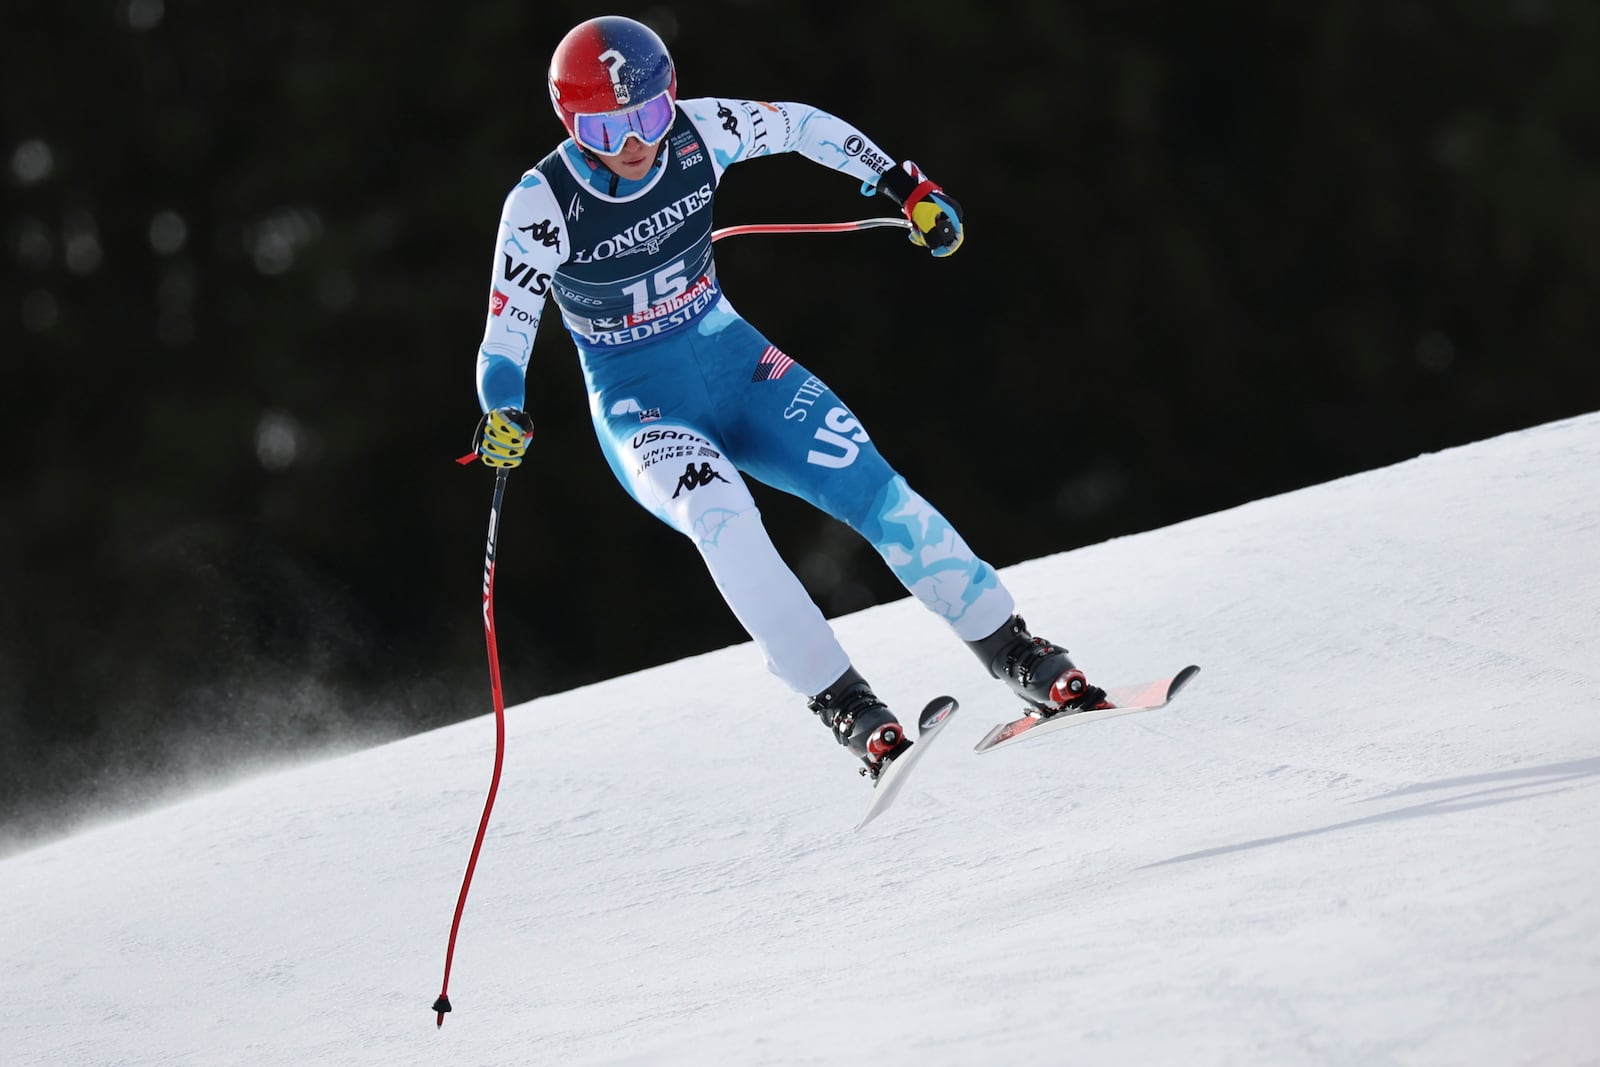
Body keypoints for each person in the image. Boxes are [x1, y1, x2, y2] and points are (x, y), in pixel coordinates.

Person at [470, 15, 1105, 779]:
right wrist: (502, 406)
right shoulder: (541, 205)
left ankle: (1015, 651)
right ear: (573, 125)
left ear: (671, 98)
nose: (636, 143)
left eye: (649, 116)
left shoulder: (702, 132)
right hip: (644, 409)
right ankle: (848, 706)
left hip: (738, 365)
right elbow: (505, 337)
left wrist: (905, 185)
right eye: (609, 130)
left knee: (871, 485)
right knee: (723, 519)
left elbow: (802, 127)